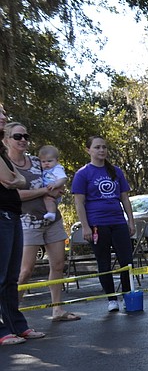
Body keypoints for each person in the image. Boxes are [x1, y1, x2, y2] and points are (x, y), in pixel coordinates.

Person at [5, 122, 79, 323]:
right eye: (17, 136)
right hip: (26, 221)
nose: (23, 140)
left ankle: (57, 309)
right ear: (6, 139)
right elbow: (15, 195)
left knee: (57, 264)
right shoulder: (6, 164)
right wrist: (45, 191)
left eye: (25, 136)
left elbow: (57, 178)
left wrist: (58, 189)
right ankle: (10, 315)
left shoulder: (38, 161)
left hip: (51, 220)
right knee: (25, 270)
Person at [71, 136, 136, 313]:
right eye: (97, 147)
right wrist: (85, 226)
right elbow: (79, 203)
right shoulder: (83, 174)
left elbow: (124, 197)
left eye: (104, 147)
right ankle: (111, 299)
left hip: (118, 222)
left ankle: (127, 295)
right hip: (97, 224)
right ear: (88, 150)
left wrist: (130, 221)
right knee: (104, 262)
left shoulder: (116, 171)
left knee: (126, 261)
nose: (101, 150)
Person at [0, 106, 45, 344]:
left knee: (10, 277)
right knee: (1, 276)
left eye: (3, 112)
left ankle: (17, 326)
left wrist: (17, 180)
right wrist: (17, 180)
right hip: (2, 215)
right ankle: (2, 331)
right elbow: (11, 179)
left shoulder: (1, 152)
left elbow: (18, 180)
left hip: (12, 213)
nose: (3, 116)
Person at [37, 145, 67, 223]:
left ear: (57, 160)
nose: (46, 163)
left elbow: (63, 178)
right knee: (46, 199)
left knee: (48, 199)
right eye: (43, 161)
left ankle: (52, 213)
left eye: (49, 161)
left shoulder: (57, 168)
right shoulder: (44, 170)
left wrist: (56, 184)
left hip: (54, 189)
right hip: (48, 190)